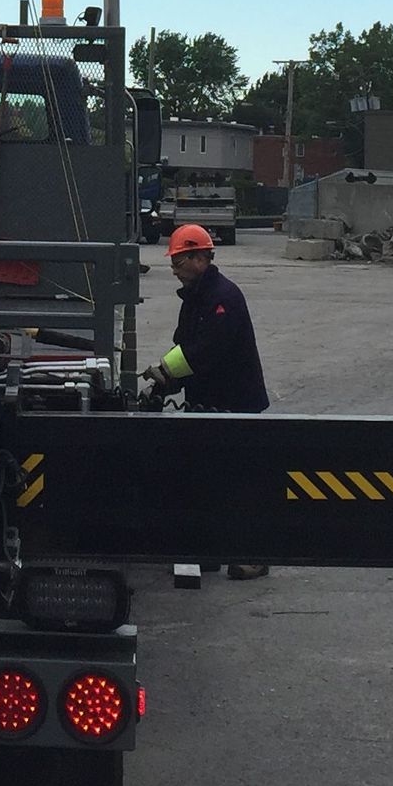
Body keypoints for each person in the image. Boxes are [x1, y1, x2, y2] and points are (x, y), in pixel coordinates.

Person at [144, 223, 270, 583]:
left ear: (201, 258)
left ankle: (255, 556)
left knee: (239, 483)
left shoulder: (223, 299)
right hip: (208, 404)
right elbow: (184, 344)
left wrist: (165, 373)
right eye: (174, 264)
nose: (175, 269)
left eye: (180, 261)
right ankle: (208, 550)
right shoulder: (196, 297)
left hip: (237, 404)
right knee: (205, 479)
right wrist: (165, 381)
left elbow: (204, 352)